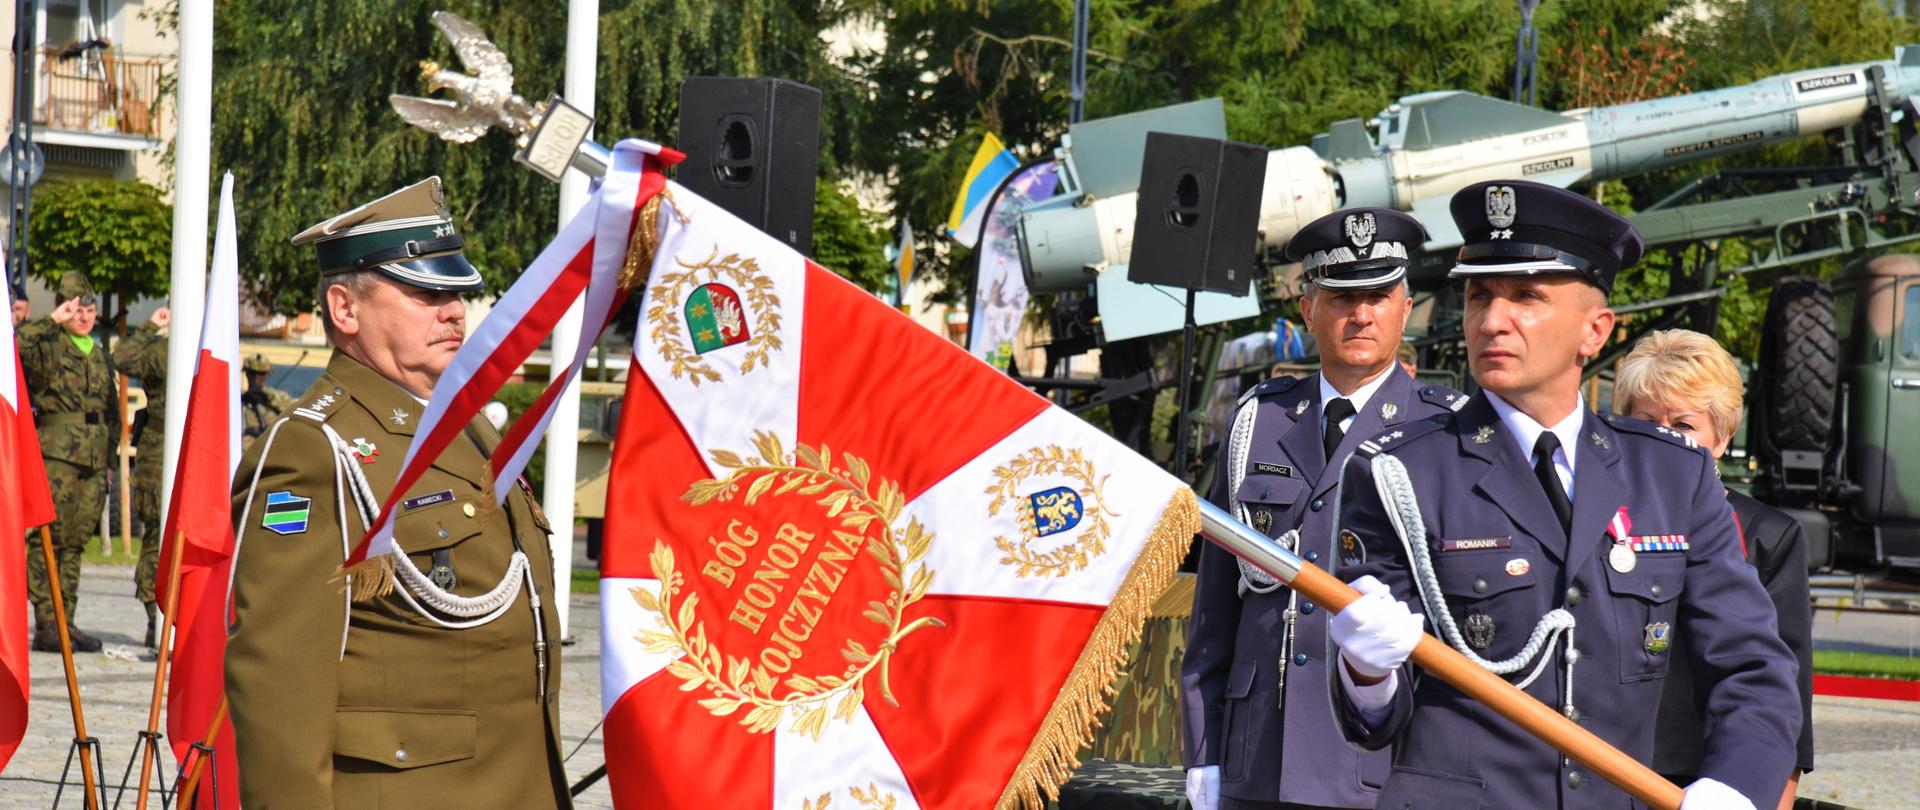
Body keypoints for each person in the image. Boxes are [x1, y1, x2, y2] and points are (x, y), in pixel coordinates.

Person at [1325, 179, 1802, 810]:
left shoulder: (1671, 476)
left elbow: (1754, 672)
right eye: (1479, 296)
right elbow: (1375, 723)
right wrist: (1367, 671)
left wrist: (1734, 788)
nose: (1493, 320)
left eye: (1526, 296)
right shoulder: (1397, 474)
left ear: (1595, 331)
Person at [225, 177, 569, 808]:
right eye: (424, 292)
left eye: (456, 292)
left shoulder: (465, 426)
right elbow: (280, 682)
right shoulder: (313, 449)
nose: (454, 310)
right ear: (345, 309)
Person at [1182, 208, 1461, 810]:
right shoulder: (1260, 421)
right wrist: (1203, 752)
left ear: (1405, 307)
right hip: (1258, 758)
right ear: (1308, 310)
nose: (1361, 315)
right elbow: (1214, 611)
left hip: (1386, 763)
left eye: (1379, 296)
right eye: (1341, 297)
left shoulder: (1447, 428)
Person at [1613, 329, 1815, 810]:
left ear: (1721, 437)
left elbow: (1787, 690)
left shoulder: (1769, 535)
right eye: (1645, 422)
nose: (1664, 438)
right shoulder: (1595, 522)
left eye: (1683, 425)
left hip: (1713, 780)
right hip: (1604, 767)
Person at [17, 273, 117, 654]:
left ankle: (65, 621)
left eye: (90, 310)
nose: (85, 317)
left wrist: (108, 462)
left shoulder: (97, 349)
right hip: (57, 456)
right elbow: (13, 344)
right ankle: (46, 623)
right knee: (48, 541)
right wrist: (52, 320)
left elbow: (108, 411)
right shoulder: (48, 343)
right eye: (77, 309)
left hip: (93, 459)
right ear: (63, 308)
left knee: (74, 544)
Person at [113, 305, 170, 648]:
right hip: (159, 452)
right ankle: (155, 614)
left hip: (196, 449)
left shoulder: (207, 347)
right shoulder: (162, 351)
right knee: (158, 536)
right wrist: (151, 325)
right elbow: (123, 358)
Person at [240, 353, 292, 440]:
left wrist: (270, 399)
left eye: (261, 374)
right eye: (253, 373)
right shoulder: (237, 399)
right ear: (246, 373)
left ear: (266, 375)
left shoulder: (279, 397)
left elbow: (294, 415)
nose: (256, 377)